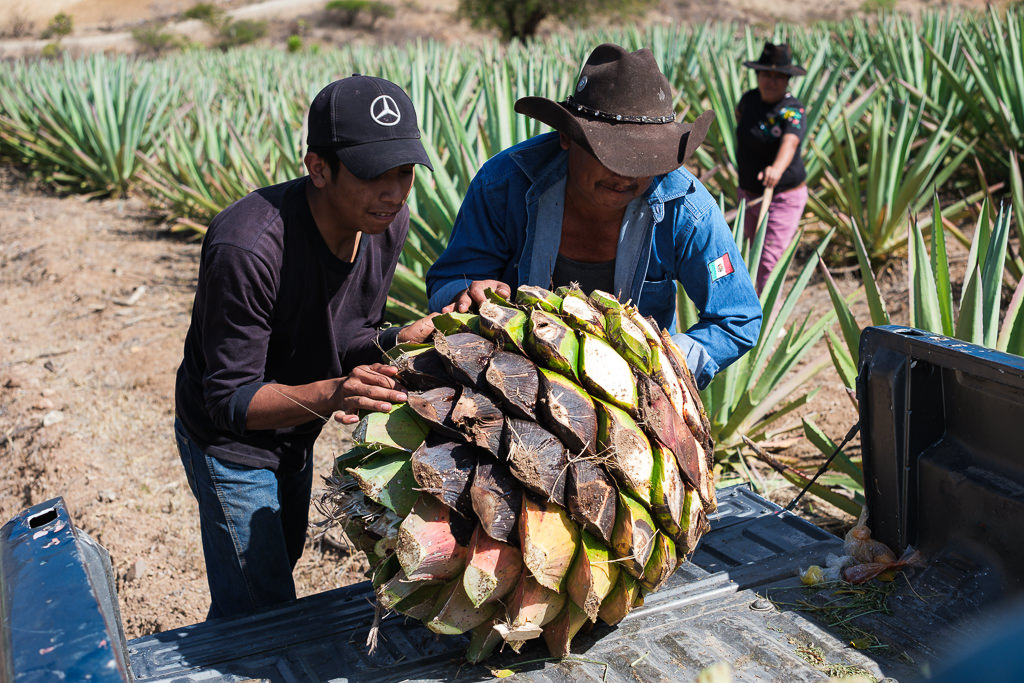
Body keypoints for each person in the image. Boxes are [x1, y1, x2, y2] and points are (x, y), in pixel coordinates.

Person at [173, 75, 435, 620]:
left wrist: (395, 341)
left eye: (404, 172)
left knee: (276, 564)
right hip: (232, 443)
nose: (394, 191)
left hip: (298, 424)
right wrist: (336, 392)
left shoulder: (384, 221)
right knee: (259, 607)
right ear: (318, 168)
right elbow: (230, 401)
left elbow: (349, 337)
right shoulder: (247, 247)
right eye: (372, 175)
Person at [425, 43, 761, 390]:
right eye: (613, 157)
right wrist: (469, 291)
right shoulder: (503, 185)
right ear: (567, 138)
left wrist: (661, 366)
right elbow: (448, 281)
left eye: (645, 161)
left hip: (634, 395)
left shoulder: (687, 209)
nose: (627, 177)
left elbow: (736, 318)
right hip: (511, 382)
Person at [735, 41, 808, 293]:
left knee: (768, 263)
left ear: (788, 80)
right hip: (748, 195)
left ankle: (769, 324)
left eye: (779, 76)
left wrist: (776, 168)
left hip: (782, 197)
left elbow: (791, 140)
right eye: (766, 74)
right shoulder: (748, 101)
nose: (771, 81)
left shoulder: (793, 109)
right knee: (746, 257)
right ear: (758, 75)